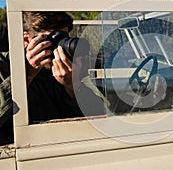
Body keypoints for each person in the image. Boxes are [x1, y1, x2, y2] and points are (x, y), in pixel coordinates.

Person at [0, 12, 107, 145]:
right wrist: (24, 76)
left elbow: (102, 119)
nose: (60, 47)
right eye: (54, 39)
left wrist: (74, 87)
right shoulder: (3, 65)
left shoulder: (68, 69)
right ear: (28, 40)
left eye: (64, 38)